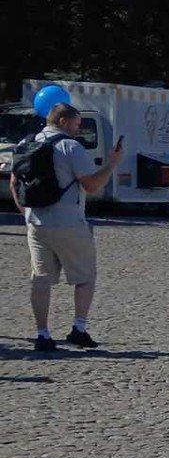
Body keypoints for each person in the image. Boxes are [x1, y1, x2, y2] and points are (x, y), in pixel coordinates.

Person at [10, 103, 120, 351]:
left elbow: (14, 184)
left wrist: (26, 213)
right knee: (85, 276)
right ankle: (78, 329)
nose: (78, 129)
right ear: (62, 121)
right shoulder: (71, 147)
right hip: (68, 222)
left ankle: (42, 334)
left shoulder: (26, 143)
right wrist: (112, 164)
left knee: (40, 278)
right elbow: (92, 186)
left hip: (36, 223)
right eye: (76, 123)